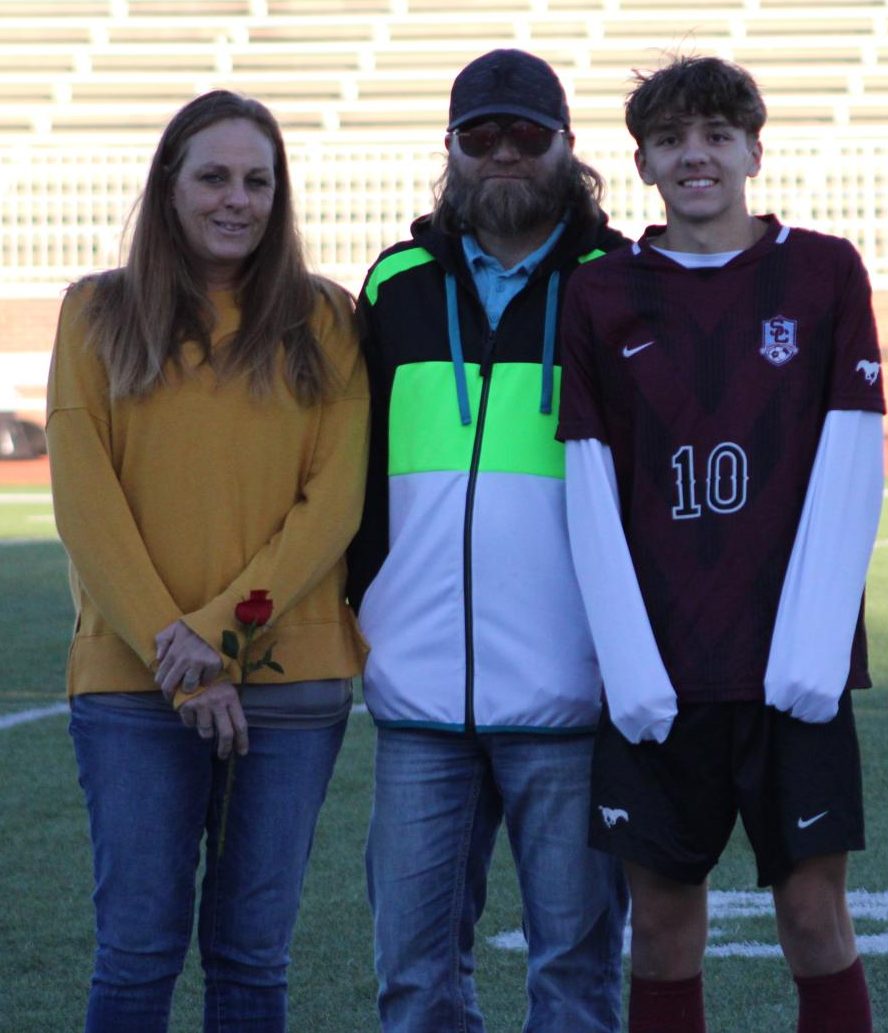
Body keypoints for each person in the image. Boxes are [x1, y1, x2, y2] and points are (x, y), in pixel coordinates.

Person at [557, 56, 884, 1033]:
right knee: (658, 927)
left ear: (751, 148)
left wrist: (816, 647)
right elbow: (585, 474)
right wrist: (627, 663)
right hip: (659, 667)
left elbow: (852, 454)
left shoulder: (823, 271)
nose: (693, 156)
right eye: (669, 141)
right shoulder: (600, 293)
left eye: (713, 135)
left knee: (813, 916)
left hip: (793, 664)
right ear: (643, 165)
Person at [46, 90, 369, 1032]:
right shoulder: (94, 314)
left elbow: (331, 507)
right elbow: (87, 503)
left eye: (258, 180)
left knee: (251, 962)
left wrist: (214, 638)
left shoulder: (328, 320)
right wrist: (175, 654)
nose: (239, 199)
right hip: (133, 683)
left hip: (289, 683)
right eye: (214, 176)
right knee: (137, 956)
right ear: (170, 186)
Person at [345, 49, 629, 1033]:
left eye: (525, 135)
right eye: (482, 136)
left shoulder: (622, 284)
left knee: (575, 983)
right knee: (413, 984)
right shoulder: (394, 283)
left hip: (572, 697)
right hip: (419, 695)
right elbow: (351, 476)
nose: (503, 153)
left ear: (565, 148)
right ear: (452, 152)